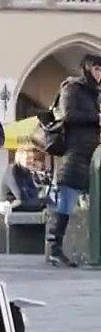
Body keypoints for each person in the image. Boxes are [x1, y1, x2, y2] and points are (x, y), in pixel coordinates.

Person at [44, 55, 101, 268]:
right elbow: (68, 115)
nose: (100, 74)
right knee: (65, 202)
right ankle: (54, 249)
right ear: (87, 69)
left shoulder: (95, 93)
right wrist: (97, 118)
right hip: (75, 152)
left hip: (93, 154)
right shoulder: (72, 88)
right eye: (97, 69)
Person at [0, 146, 47, 212]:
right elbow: (20, 195)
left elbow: (35, 193)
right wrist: (29, 195)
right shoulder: (12, 170)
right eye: (27, 158)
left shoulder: (26, 171)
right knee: (45, 202)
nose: (31, 161)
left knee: (47, 201)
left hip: (25, 204)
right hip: (12, 206)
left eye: (32, 158)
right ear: (19, 158)